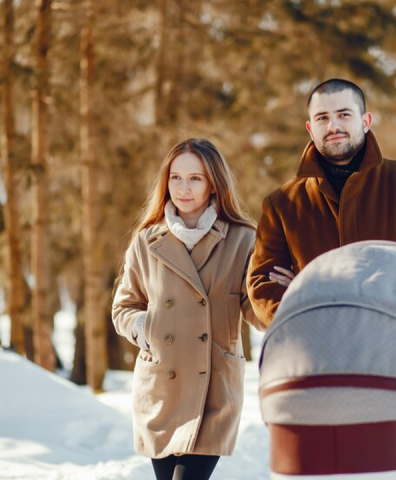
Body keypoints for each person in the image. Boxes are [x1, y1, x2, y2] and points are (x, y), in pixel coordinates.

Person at [247, 78, 396, 327]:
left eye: (343, 114)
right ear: (310, 128)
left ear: (365, 121)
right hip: (319, 357)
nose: (333, 126)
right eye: (322, 118)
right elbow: (263, 283)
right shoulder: (282, 205)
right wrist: (306, 312)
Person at [112, 138, 264, 480]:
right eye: (176, 177)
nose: (183, 187)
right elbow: (124, 306)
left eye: (195, 178)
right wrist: (143, 326)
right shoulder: (147, 240)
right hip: (161, 388)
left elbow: (255, 311)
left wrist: (281, 294)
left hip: (213, 388)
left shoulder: (243, 239)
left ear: (213, 184)